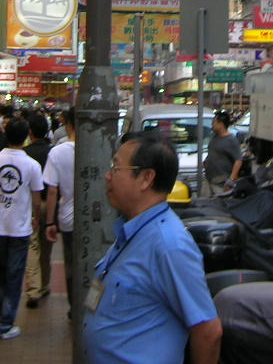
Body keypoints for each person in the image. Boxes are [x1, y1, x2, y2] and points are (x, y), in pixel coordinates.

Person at [82, 133, 221, 363]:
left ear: (146, 178)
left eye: (116, 167)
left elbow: (208, 332)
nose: (108, 175)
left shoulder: (169, 246)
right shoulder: (132, 231)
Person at [0, 117, 43, 340]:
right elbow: (37, 199)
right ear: (26, 136)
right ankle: (6, 323)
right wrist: (36, 218)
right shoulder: (32, 165)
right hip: (20, 226)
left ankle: (3, 308)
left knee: (4, 268)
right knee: (15, 273)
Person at [43, 108, 76, 319]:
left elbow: (52, 190)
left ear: (69, 125)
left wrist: (49, 222)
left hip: (67, 218)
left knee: (71, 262)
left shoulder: (57, 152)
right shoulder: (102, 147)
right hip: (94, 217)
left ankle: (74, 306)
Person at [24, 112, 53, 309]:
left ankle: (33, 289)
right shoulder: (52, 152)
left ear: (30, 132)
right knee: (47, 247)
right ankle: (45, 284)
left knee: (33, 246)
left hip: (30, 204)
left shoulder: (25, 153)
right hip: (49, 203)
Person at [204, 111, 243, 195]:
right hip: (209, 179)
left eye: (214, 122)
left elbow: (238, 160)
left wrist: (231, 180)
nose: (212, 125)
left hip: (221, 183)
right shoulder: (214, 137)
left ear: (221, 124)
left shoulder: (231, 140)